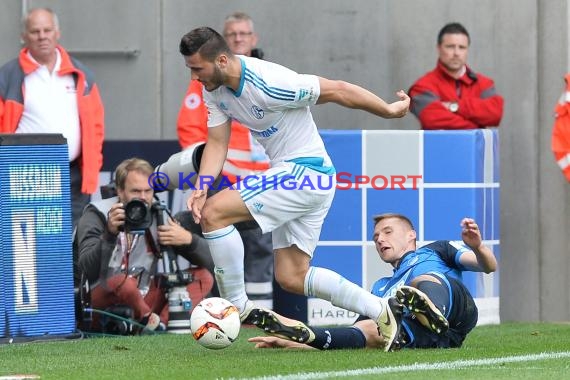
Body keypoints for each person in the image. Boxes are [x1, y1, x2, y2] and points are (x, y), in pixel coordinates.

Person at [179, 27, 410, 351]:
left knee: (214, 214)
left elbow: (338, 90)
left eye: (197, 69)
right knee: (291, 275)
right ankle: (381, 309)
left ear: (220, 60)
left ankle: (236, 306)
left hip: (306, 172)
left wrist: (388, 110)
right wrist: (202, 185)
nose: (194, 77)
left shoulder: (271, 83)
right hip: (304, 177)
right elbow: (217, 143)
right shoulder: (213, 89)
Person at [248, 214, 497, 350]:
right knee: (372, 328)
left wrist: (479, 247)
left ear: (412, 235)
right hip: (421, 335)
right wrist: (295, 338)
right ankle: (311, 334)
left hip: (456, 313)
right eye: (376, 236)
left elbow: (487, 266)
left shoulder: (434, 251)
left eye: (387, 232)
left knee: (421, 280)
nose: (379, 239)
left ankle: (432, 312)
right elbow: (357, 334)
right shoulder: (380, 287)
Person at [177, 12, 274, 308]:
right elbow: (190, 131)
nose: (239, 39)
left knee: (261, 250)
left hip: (263, 178)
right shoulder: (205, 81)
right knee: (223, 248)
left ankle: (260, 317)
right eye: (233, 35)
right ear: (223, 43)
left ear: (253, 39)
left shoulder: (268, 73)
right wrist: (209, 174)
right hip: (223, 181)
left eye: (244, 34)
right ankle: (226, 313)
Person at [75, 158, 214, 332]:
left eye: (148, 191)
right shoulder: (98, 214)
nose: (143, 197)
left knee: (203, 277)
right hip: (98, 297)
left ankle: (159, 324)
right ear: (120, 190)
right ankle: (148, 320)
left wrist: (189, 240)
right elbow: (86, 270)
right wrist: (109, 234)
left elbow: (213, 263)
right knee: (123, 281)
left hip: (141, 294)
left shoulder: (158, 214)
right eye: (135, 191)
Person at [0, 7, 105, 225]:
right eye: (35, 31)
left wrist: (92, 167)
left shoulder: (81, 74)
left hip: (72, 174)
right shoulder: (7, 76)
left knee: (72, 241)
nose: (42, 36)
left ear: (57, 32)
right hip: (24, 174)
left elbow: (96, 126)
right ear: (23, 36)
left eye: (47, 30)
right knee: (27, 245)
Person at [408, 22, 504, 130]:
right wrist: (476, 127)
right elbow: (431, 119)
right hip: (438, 147)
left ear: (467, 50)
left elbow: (495, 114)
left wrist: (453, 106)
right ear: (439, 48)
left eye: (462, 47)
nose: (456, 53)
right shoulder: (422, 86)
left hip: (473, 147)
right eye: (450, 47)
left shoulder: (484, 84)